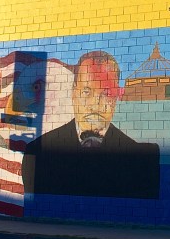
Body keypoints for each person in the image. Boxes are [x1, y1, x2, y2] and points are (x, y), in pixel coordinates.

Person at [22, 51, 160, 199]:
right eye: (86, 92)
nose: (95, 104)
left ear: (118, 96)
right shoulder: (37, 153)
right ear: (74, 94)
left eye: (106, 94)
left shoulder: (140, 162)